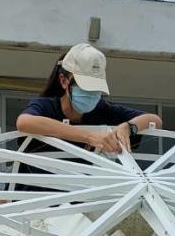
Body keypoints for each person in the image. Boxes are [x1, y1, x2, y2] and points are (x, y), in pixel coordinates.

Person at [15, 43, 162, 155]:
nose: (91, 94)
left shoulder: (101, 110)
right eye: (85, 87)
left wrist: (128, 127)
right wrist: (89, 137)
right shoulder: (46, 107)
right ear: (64, 81)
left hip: (79, 191)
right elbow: (24, 122)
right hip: (32, 191)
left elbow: (154, 120)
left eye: (96, 88)